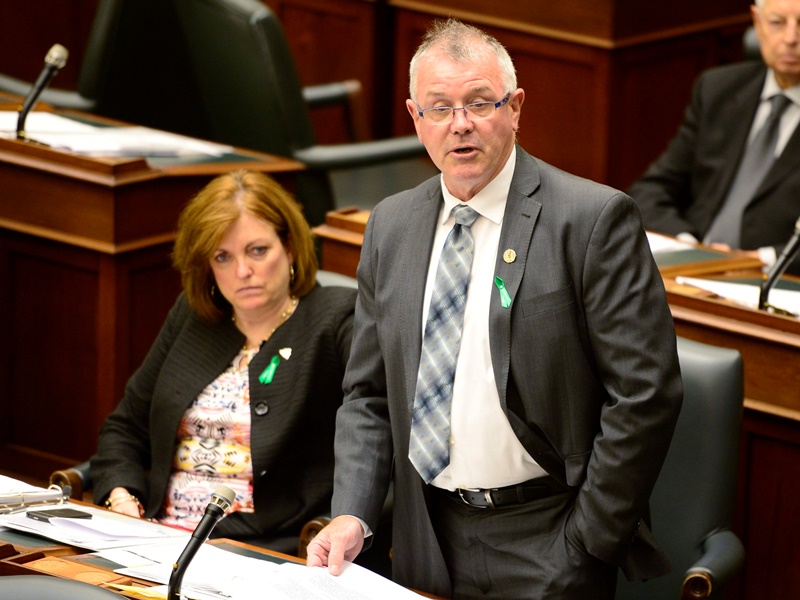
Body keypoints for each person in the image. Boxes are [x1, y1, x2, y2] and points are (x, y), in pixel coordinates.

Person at [306, 18, 683, 600]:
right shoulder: (391, 225)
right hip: (423, 534)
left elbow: (645, 393)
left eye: (480, 102)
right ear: (414, 118)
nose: (461, 125)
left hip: (547, 537)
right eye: (440, 108)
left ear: (515, 108)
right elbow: (369, 393)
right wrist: (354, 513)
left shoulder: (590, 220)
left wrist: (587, 542)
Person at [90, 169, 356, 554]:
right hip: (150, 539)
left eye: (257, 250)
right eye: (223, 257)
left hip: (259, 549)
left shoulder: (334, 321)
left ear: (291, 247)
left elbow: (373, 439)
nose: (242, 272)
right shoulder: (194, 316)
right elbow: (125, 426)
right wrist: (121, 498)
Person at [630, 0, 800, 274]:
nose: (791, 38)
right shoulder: (718, 90)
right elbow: (650, 191)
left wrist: (761, 259)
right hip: (692, 271)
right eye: (777, 23)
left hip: (775, 282)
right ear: (757, 22)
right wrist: (692, 248)